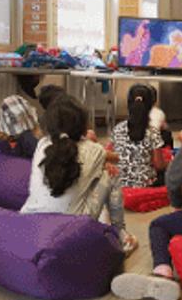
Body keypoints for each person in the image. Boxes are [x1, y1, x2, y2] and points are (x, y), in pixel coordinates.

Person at [20, 94, 136, 255]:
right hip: (73, 227)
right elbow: (116, 158)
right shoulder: (93, 150)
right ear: (83, 124)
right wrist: (94, 143)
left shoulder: (42, 145)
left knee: (95, 173)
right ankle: (120, 233)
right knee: (112, 173)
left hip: (30, 220)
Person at [111, 119, 182, 300]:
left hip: (127, 186)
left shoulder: (117, 130)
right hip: (148, 180)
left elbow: (173, 177)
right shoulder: (153, 131)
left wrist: (178, 202)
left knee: (159, 225)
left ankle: (162, 271)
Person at [110, 84, 166, 188]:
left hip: (119, 182)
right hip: (145, 183)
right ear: (150, 106)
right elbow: (159, 165)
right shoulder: (152, 132)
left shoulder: (117, 128)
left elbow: (113, 155)